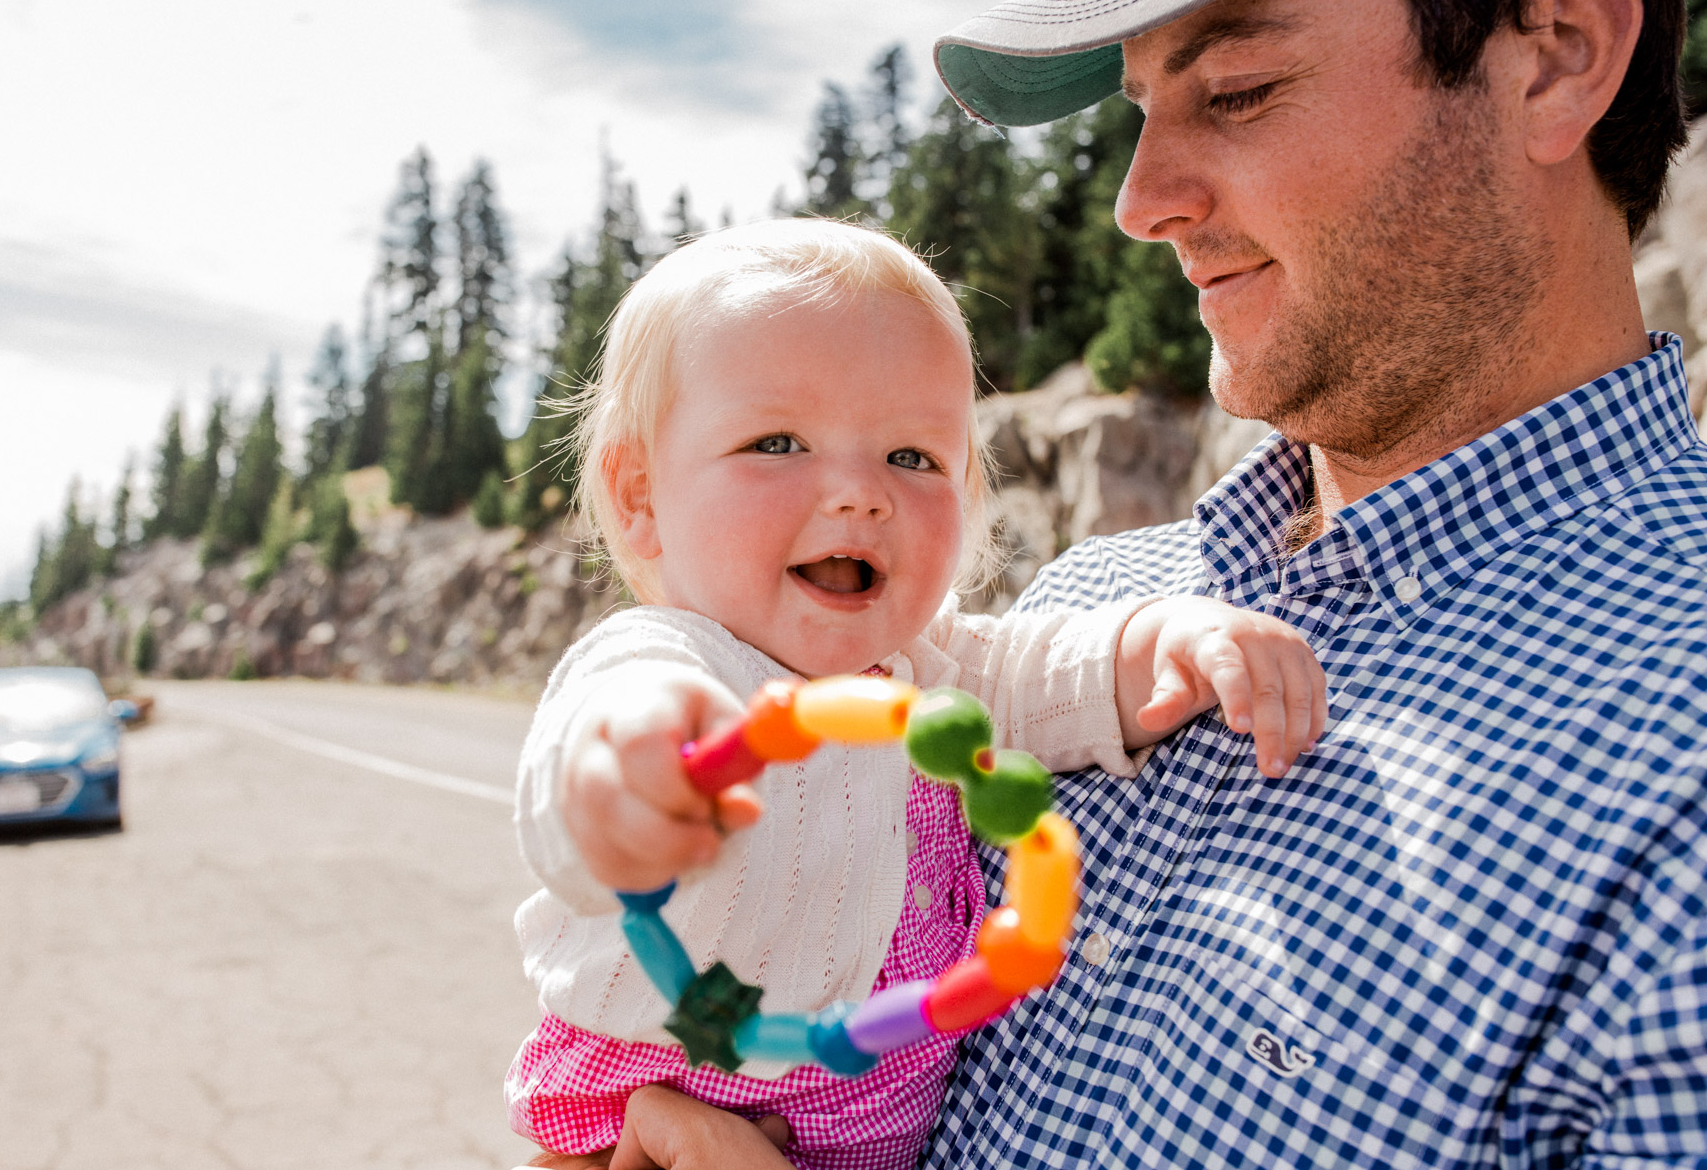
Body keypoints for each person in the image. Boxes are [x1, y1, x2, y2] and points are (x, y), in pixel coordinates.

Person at [917, 0, 1707, 1166]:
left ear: (1557, 50)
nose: (1140, 202)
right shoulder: (1074, 618)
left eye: (1238, 88)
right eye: (1139, 109)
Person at [504, 218, 1329, 1170]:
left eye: (913, 458)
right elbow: (592, 741)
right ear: (642, 495)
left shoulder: (923, 671)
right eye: (777, 441)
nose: (860, 492)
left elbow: (1045, 671)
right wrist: (630, 782)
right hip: (664, 1104)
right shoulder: (672, 662)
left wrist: (1172, 640)